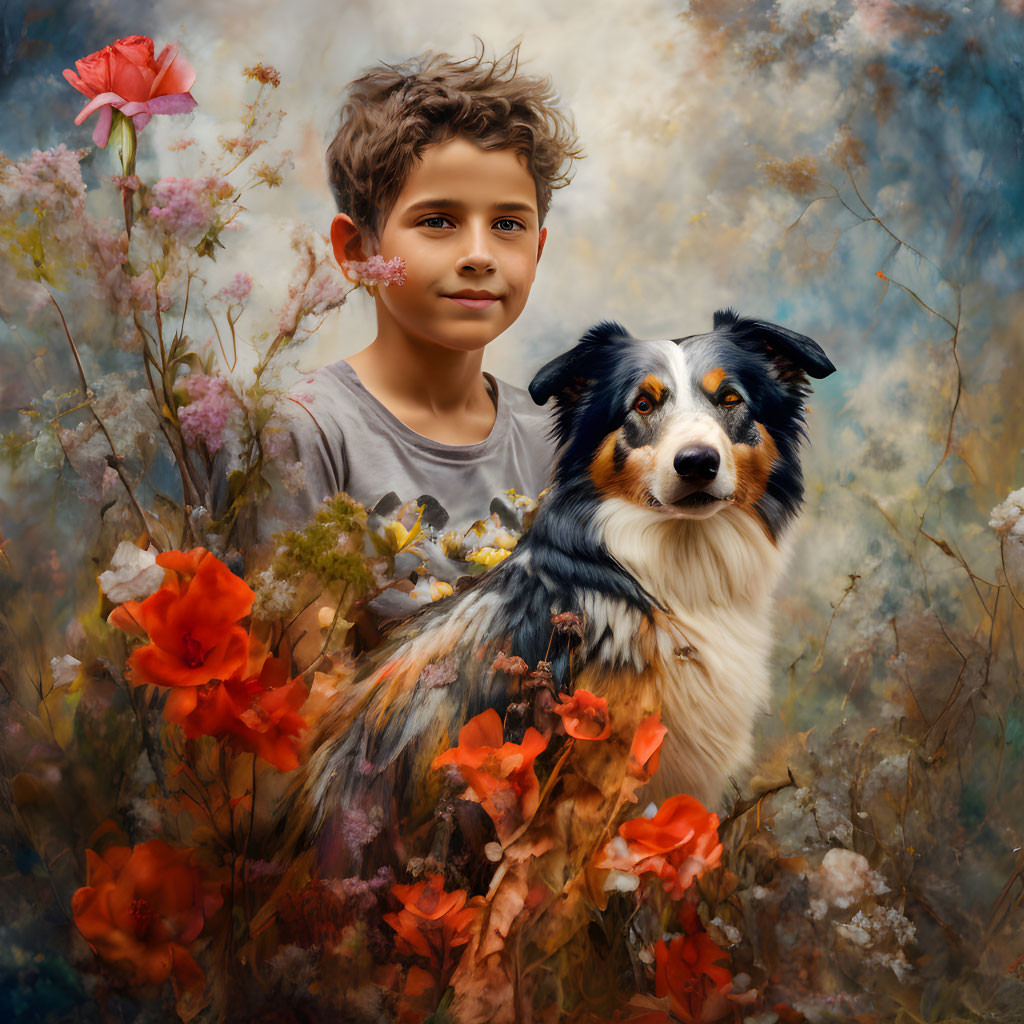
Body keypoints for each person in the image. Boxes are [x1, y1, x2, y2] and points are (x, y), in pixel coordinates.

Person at [259, 45, 582, 551]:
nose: (480, 255)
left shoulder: (552, 437)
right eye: (437, 221)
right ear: (357, 248)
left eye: (507, 225)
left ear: (537, 249)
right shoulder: (307, 430)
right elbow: (295, 629)